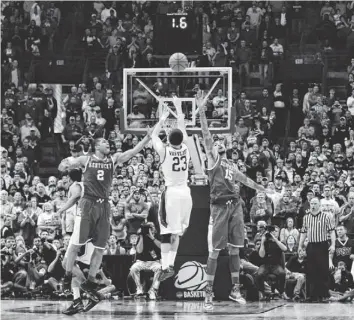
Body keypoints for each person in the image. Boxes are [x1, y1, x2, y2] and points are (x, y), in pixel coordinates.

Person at [58, 134, 152, 308]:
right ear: (95, 146)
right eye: (103, 142)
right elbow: (62, 165)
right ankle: (66, 277)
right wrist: (66, 163)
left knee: (100, 249)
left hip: (104, 206)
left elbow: (132, 151)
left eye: (107, 142)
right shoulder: (85, 159)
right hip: (88, 205)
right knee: (74, 246)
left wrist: (147, 138)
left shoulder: (113, 159)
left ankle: (91, 284)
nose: (107, 143)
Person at [197, 95, 266, 311]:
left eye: (220, 142)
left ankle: (235, 289)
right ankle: (208, 292)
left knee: (236, 250)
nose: (217, 143)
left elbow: (245, 180)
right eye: (216, 143)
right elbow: (206, 134)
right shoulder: (213, 159)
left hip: (235, 206)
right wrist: (200, 111)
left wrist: (262, 188)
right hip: (218, 207)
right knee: (215, 252)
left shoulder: (230, 164)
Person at [151, 98, 192, 282]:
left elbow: (153, 136)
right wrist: (178, 108)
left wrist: (161, 120)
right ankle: (171, 265)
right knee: (177, 233)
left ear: (168, 139)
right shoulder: (186, 148)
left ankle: (165, 264)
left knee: (166, 232)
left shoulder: (164, 151)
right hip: (186, 193)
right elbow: (182, 127)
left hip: (172, 194)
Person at [299, 197, 336, 302]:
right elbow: (303, 232)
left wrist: (333, 244)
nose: (313, 205)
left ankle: (323, 295)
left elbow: (332, 231)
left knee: (323, 270)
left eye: (315, 203)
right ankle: (312, 295)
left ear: (319, 205)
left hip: (322, 244)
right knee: (311, 270)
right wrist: (300, 246)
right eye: (311, 203)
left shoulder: (326, 216)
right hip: (311, 245)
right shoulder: (306, 217)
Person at [129, 222, 162, 300]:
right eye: (148, 227)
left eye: (152, 227)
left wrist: (152, 237)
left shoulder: (158, 236)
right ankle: (139, 288)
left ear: (155, 228)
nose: (150, 229)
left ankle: (153, 291)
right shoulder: (141, 237)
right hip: (141, 261)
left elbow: (161, 247)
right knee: (133, 268)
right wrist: (142, 236)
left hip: (154, 262)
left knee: (160, 268)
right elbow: (139, 250)